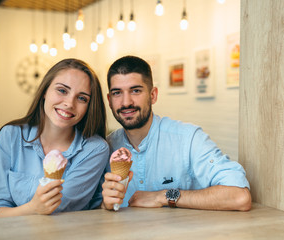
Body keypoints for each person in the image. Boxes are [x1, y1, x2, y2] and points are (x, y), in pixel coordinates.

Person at [101, 55, 251, 211]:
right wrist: (105, 205)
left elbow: (239, 196)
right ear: (109, 100)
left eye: (136, 91)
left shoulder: (188, 139)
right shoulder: (105, 149)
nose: (126, 102)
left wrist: (163, 196)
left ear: (153, 95)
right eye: (117, 93)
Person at [0, 58, 109, 219]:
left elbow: (60, 208)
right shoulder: (11, 136)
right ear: (45, 91)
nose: (69, 103)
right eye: (62, 91)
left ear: (89, 106)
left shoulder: (95, 149)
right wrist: (33, 208)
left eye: (82, 98)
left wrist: (32, 208)